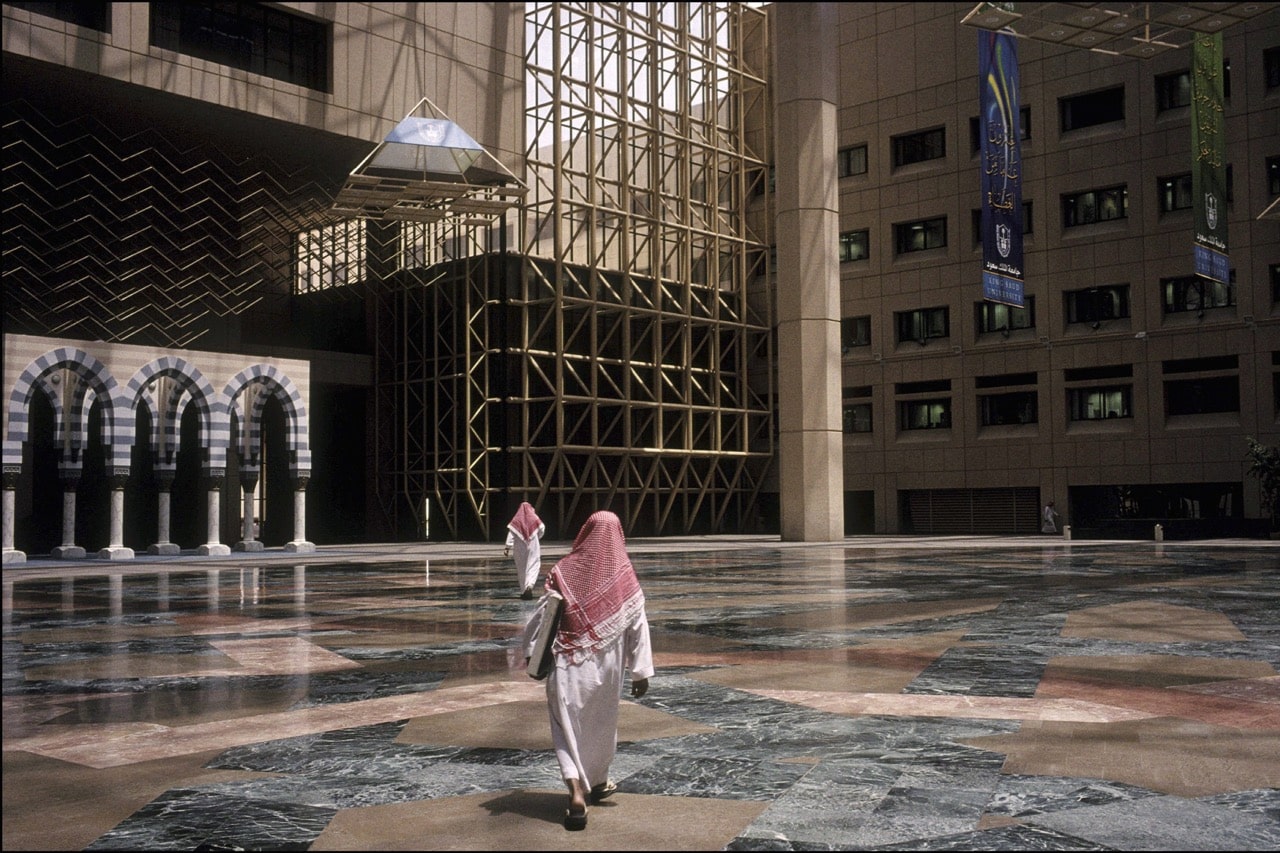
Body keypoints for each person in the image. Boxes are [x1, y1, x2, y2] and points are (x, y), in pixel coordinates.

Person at [521, 510, 653, 831]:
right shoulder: (624, 577)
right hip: (608, 673)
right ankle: (597, 780)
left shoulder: (564, 570)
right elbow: (638, 625)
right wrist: (640, 671)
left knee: (566, 728)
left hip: (567, 666)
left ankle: (577, 791)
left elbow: (542, 617)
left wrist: (530, 651)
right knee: (600, 726)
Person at [504, 502, 545, 599]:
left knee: (521, 568)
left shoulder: (517, 520)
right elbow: (542, 529)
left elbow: (511, 534)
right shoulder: (534, 518)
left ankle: (523, 590)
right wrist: (536, 536)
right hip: (533, 545)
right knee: (534, 564)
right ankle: (529, 585)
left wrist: (507, 547)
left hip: (519, 547)